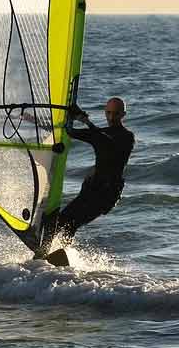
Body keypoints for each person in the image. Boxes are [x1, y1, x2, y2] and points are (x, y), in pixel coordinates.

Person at [35, 97, 134, 258]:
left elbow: (106, 142)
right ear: (105, 112)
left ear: (123, 114)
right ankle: (58, 255)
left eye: (115, 114)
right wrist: (36, 121)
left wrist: (85, 122)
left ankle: (45, 253)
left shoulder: (127, 137)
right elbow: (69, 131)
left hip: (106, 194)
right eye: (108, 113)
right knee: (66, 224)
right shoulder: (101, 133)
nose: (111, 117)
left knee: (64, 221)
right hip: (91, 190)